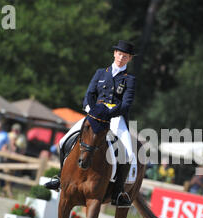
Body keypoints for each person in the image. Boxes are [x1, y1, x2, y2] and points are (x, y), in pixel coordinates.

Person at [45, 40, 136, 208]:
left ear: (129, 59)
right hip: (94, 113)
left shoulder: (129, 79)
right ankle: (60, 177)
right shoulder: (101, 73)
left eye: (125, 56)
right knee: (64, 140)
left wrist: (109, 113)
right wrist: (91, 109)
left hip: (115, 118)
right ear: (114, 53)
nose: (121, 57)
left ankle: (118, 191)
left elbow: (126, 104)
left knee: (128, 153)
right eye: (119, 54)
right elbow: (89, 94)